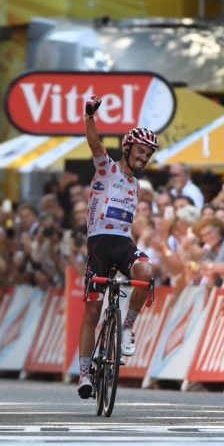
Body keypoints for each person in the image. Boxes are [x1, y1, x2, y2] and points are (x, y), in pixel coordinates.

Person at [77, 96, 157, 399]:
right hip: (98, 246)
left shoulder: (137, 186)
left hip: (123, 246)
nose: (144, 157)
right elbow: (95, 144)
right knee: (92, 312)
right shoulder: (107, 169)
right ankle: (84, 372)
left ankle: (127, 327)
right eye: (140, 150)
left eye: (148, 154)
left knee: (147, 270)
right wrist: (89, 117)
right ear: (128, 148)